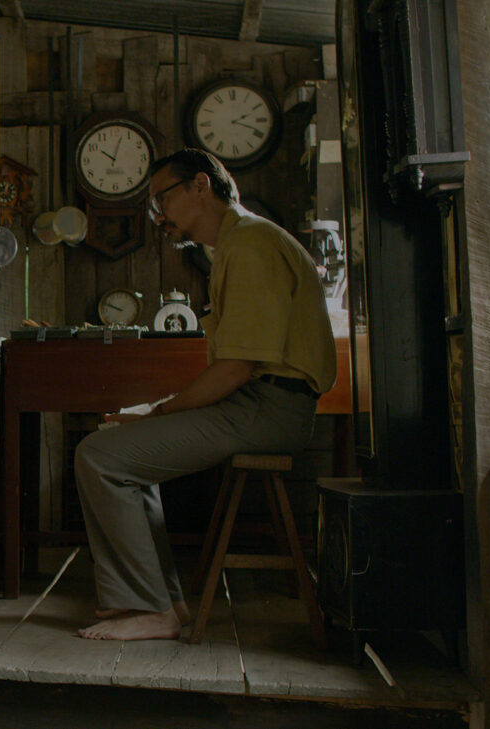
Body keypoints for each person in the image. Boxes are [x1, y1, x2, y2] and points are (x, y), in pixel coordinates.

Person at [73, 149, 336, 641]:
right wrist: (155, 414)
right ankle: (165, 602)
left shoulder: (251, 243)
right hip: (257, 403)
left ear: (201, 185)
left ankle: (150, 608)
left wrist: (160, 411)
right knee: (113, 449)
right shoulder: (239, 243)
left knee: (99, 456)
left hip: (269, 409)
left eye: (163, 201)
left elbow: (236, 368)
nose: (159, 217)